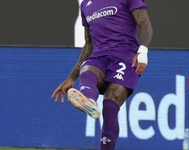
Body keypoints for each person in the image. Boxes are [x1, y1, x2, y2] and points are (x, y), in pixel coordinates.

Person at [52, 0, 153, 149]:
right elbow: (89, 44)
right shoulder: (86, 5)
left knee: (110, 107)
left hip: (125, 57)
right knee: (87, 70)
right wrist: (71, 78)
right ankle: (88, 100)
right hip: (99, 56)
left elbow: (145, 25)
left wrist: (142, 52)